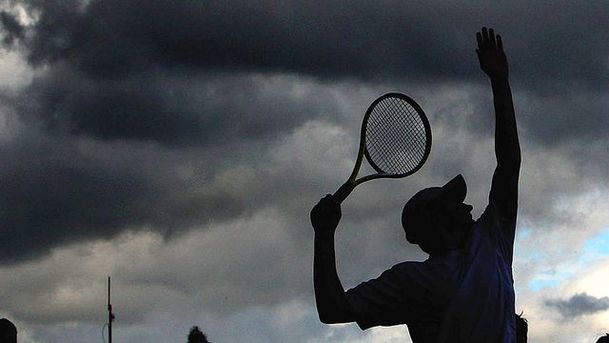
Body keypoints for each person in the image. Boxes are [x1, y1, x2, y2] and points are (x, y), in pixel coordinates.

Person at [311, 27, 520, 343]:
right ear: (437, 221)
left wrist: (500, 82)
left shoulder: (492, 240)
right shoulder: (412, 280)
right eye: (454, 202)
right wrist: (324, 235)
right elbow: (333, 309)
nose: (467, 206)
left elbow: (508, 164)